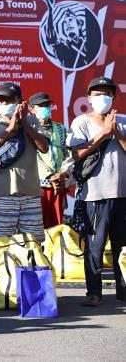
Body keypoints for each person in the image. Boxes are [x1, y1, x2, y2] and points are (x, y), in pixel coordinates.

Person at [68, 76, 126, 307]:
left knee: (123, 247)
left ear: (113, 97)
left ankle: (123, 291)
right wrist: (103, 133)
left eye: (107, 93)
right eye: (98, 93)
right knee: (95, 246)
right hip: (95, 195)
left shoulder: (123, 121)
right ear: (89, 98)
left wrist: (116, 133)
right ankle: (94, 292)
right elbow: (76, 154)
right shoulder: (81, 122)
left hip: (122, 194)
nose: (103, 97)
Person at [0, 82, 49, 243]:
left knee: (34, 244)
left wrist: (24, 123)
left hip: (31, 193)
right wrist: (9, 130)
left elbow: (44, 148)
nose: (4, 103)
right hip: (2, 194)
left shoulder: (32, 121)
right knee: (2, 244)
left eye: (9, 99)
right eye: (0, 99)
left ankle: (30, 262)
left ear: (20, 102)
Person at [29, 91, 73, 228]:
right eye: (41, 106)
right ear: (32, 109)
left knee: (56, 226)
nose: (46, 108)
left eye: (47, 105)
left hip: (58, 186)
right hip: (38, 187)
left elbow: (69, 154)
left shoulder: (61, 129)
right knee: (37, 226)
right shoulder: (29, 129)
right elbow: (32, 156)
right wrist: (50, 176)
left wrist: (63, 174)